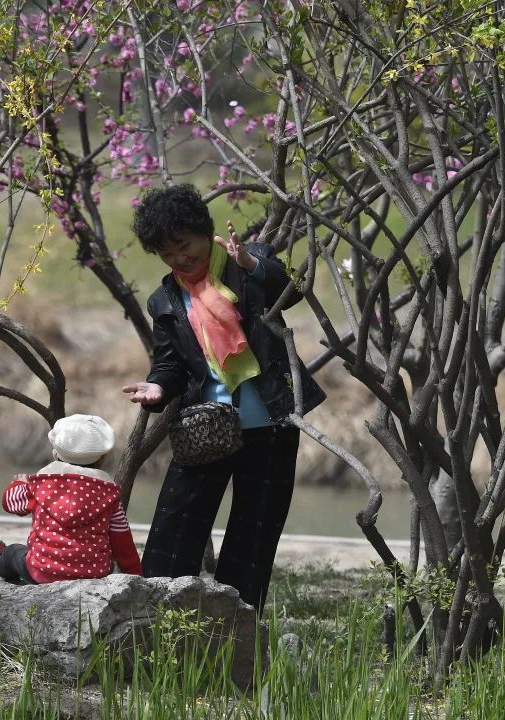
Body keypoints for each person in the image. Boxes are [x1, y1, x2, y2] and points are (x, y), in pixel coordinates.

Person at [122, 184, 325, 611]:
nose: (180, 258)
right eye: (167, 253)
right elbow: (170, 364)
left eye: (184, 245)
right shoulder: (164, 298)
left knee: (253, 540)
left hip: (271, 422)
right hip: (206, 426)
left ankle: (237, 634)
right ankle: (161, 627)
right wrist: (158, 387)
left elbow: (291, 291)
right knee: (171, 536)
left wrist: (250, 263)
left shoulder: (248, 262)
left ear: (204, 231)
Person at [0, 414, 143, 584]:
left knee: (13, 552)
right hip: (95, 574)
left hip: (41, 572)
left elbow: (9, 503)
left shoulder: (41, 484)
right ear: (102, 458)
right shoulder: (109, 494)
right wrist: (135, 575)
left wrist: (20, 482)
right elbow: (122, 541)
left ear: (56, 453)